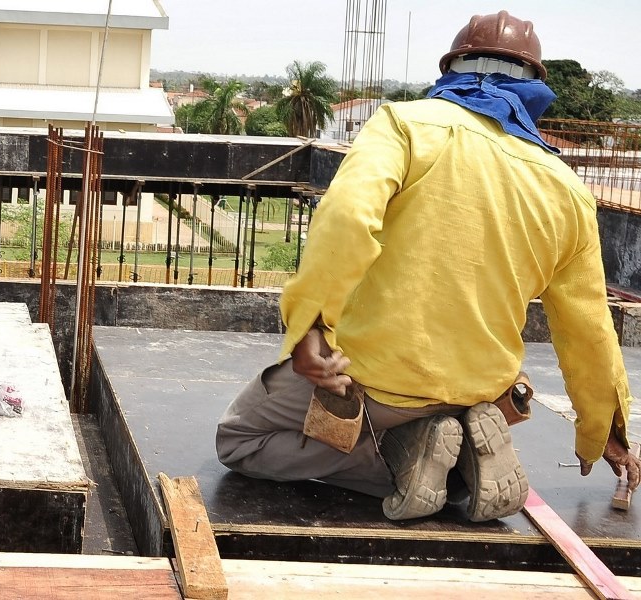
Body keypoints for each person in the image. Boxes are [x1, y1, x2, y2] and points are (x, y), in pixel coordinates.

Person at [216, 10, 641, 522]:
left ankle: (398, 459)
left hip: (371, 382)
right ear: (535, 89)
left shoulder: (404, 126)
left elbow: (349, 218)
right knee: (455, 445)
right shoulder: (567, 188)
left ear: (451, 70)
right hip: (482, 393)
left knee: (240, 440)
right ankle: (460, 461)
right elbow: (589, 328)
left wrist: (309, 327)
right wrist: (603, 435)